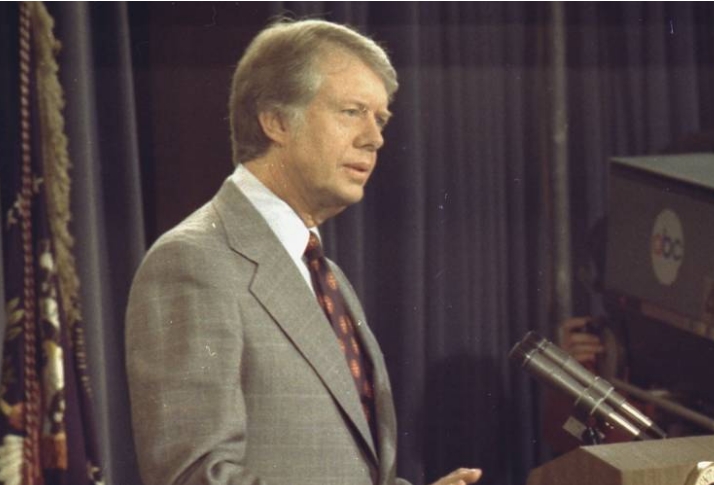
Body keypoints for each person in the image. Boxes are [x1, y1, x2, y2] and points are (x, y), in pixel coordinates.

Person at [125, 18, 482, 485]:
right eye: (352, 111)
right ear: (276, 121)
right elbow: (195, 475)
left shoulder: (326, 276)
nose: (375, 138)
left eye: (380, 119)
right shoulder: (194, 261)